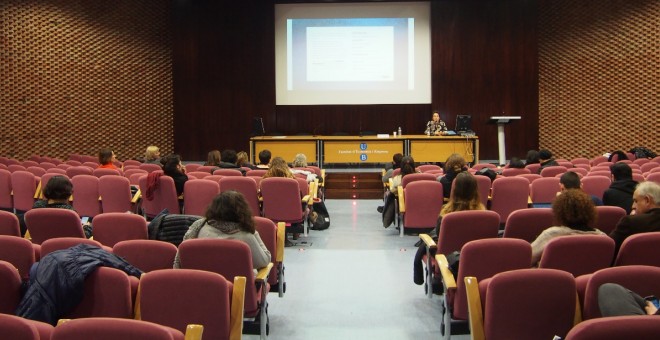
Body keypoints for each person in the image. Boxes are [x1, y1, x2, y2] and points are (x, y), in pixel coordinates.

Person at [413, 172, 485, 286]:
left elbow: (439, 236)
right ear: (476, 190)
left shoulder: (446, 215)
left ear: (454, 190)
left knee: (428, 241)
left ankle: (433, 279)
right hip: (477, 259)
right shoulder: (487, 215)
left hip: (448, 260)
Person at [173, 191, 271, 271]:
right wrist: (253, 231)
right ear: (243, 211)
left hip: (203, 287)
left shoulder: (200, 228)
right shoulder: (246, 236)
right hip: (239, 291)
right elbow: (264, 260)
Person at [530, 189, 605, 266]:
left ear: (559, 212)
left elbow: (527, 259)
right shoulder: (603, 238)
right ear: (590, 212)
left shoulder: (552, 235)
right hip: (591, 277)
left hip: (552, 277)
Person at [609, 181, 660, 255]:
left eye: (636, 201)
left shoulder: (630, 222)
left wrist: (633, 218)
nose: (633, 206)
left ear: (647, 200)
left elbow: (608, 248)